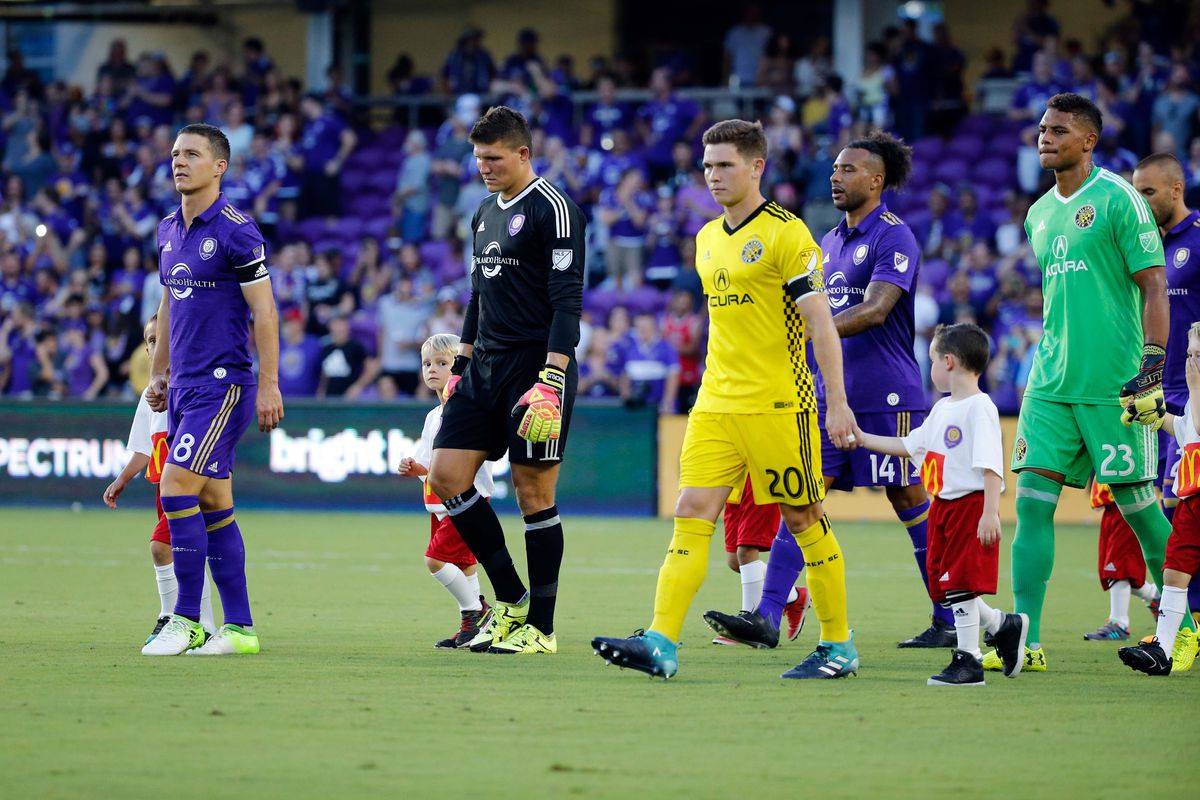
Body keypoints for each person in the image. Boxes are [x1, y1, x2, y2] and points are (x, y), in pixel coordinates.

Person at [592, 119, 858, 680]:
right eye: (708, 166)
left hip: (778, 405)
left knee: (804, 517)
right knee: (690, 513)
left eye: (725, 165)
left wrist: (836, 402)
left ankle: (838, 645)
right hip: (715, 403)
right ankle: (661, 641)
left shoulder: (788, 235)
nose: (713, 175)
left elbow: (821, 325)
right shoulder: (707, 238)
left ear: (757, 167)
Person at [705, 131, 949, 649]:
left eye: (848, 170)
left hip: (886, 394)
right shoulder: (828, 241)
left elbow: (876, 309)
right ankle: (767, 614)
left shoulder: (894, 236)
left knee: (908, 498)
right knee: (803, 494)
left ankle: (950, 615)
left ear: (877, 180)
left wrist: (807, 330)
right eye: (834, 169)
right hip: (824, 393)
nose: (835, 177)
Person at [996, 93, 1199, 674]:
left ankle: (1185, 629)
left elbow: (1154, 285)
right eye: (1042, 129)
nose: (1045, 138)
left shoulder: (1119, 198)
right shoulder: (1038, 213)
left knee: (1140, 510)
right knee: (1032, 506)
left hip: (1115, 385)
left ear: (1088, 140)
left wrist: (1151, 364)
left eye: (1059, 130)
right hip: (1050, 383)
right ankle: (1027, 641)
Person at [426, 106, 586, 655]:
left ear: (522, 153)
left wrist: (552, 378)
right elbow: (479, 295)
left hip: (536, 368)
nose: (484, 168)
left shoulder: (554, 209)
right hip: (484, 368)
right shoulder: (482, 212)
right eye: (478, 159)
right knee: (446, 476)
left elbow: (567, 301)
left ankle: (540, 627)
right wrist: (461, 367)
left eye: (493, 158)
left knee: (532, 492)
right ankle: (512, 601)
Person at [142, 123, 284, 656]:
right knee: (214, 502)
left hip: (223, 386)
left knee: (175, 487)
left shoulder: (236, 230)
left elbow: (264, 311)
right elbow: (168, 303)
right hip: (183, 386)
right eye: (175, 153)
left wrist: (269, 384)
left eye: (192, 154)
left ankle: (186, 620)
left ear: (219, 166)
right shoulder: (166, 230)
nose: (179, 161)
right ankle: (240, 629)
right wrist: (159, 372)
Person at [853, 323, 1028, 685]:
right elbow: (909, 445)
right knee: (947, 585)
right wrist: (862, 438)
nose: (930, 368)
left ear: (948, 362)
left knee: (961, 583)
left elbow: (991, 465)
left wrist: (990, 512)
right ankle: (1002, 625)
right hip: (943, 508)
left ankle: (968, 660)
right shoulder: (942, 408)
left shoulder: (980, 407)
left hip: (969, 506)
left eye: (932, 360)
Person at [103, 316, 215, 645]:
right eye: (150, 341)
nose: (155, 346)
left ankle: (168, 616)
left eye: (161, 338)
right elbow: (144, 447)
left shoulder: (190, 386)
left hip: (186, 484)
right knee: (187, 550)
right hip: (161, 488)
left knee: (160, 546)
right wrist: (123, 478)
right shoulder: (148, 397)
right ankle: (206, 625)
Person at [1133, 152, 1200, 622]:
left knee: (1183, 509)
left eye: (1148, 192)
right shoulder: (1145, 246)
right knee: (1167, 508)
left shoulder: (1197, 239)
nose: (1141, 201)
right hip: (1157, 397)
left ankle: (1183, 622)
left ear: (1176, 190)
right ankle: (1181, 622)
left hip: (1192, 398)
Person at [398, 333, 493, 649]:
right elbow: (429, 463)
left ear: (461, 368)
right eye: (427, 363)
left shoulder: (470, 409)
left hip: (465, 500)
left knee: (435, 560)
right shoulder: (433, 417)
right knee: (464, 565)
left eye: (442, 363)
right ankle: (473, 626)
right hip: (439, 503)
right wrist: (415, 467)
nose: (432, 369)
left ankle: (476, 612)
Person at [1120, 321, 1200, 674]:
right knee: (1174, 572)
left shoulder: (1197, 390)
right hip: (1191, 499)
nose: (1192, 362)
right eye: (1190, 355)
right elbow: (1184, 430)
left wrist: (1194, 385)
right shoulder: (1195, 397)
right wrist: (1152, 416)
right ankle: (1163, 650)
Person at [715, 478, 811, 646]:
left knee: (746, 552)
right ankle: (793, 596)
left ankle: (748, 622)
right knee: (735, 561)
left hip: (757, 479)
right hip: (734, 482)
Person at [1082, 479, 1158, 640]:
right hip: (1112, 505)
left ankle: (1119, 624)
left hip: (1126, 500)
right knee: (1113, 568)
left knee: (1117, 566)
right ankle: (1153, 596)